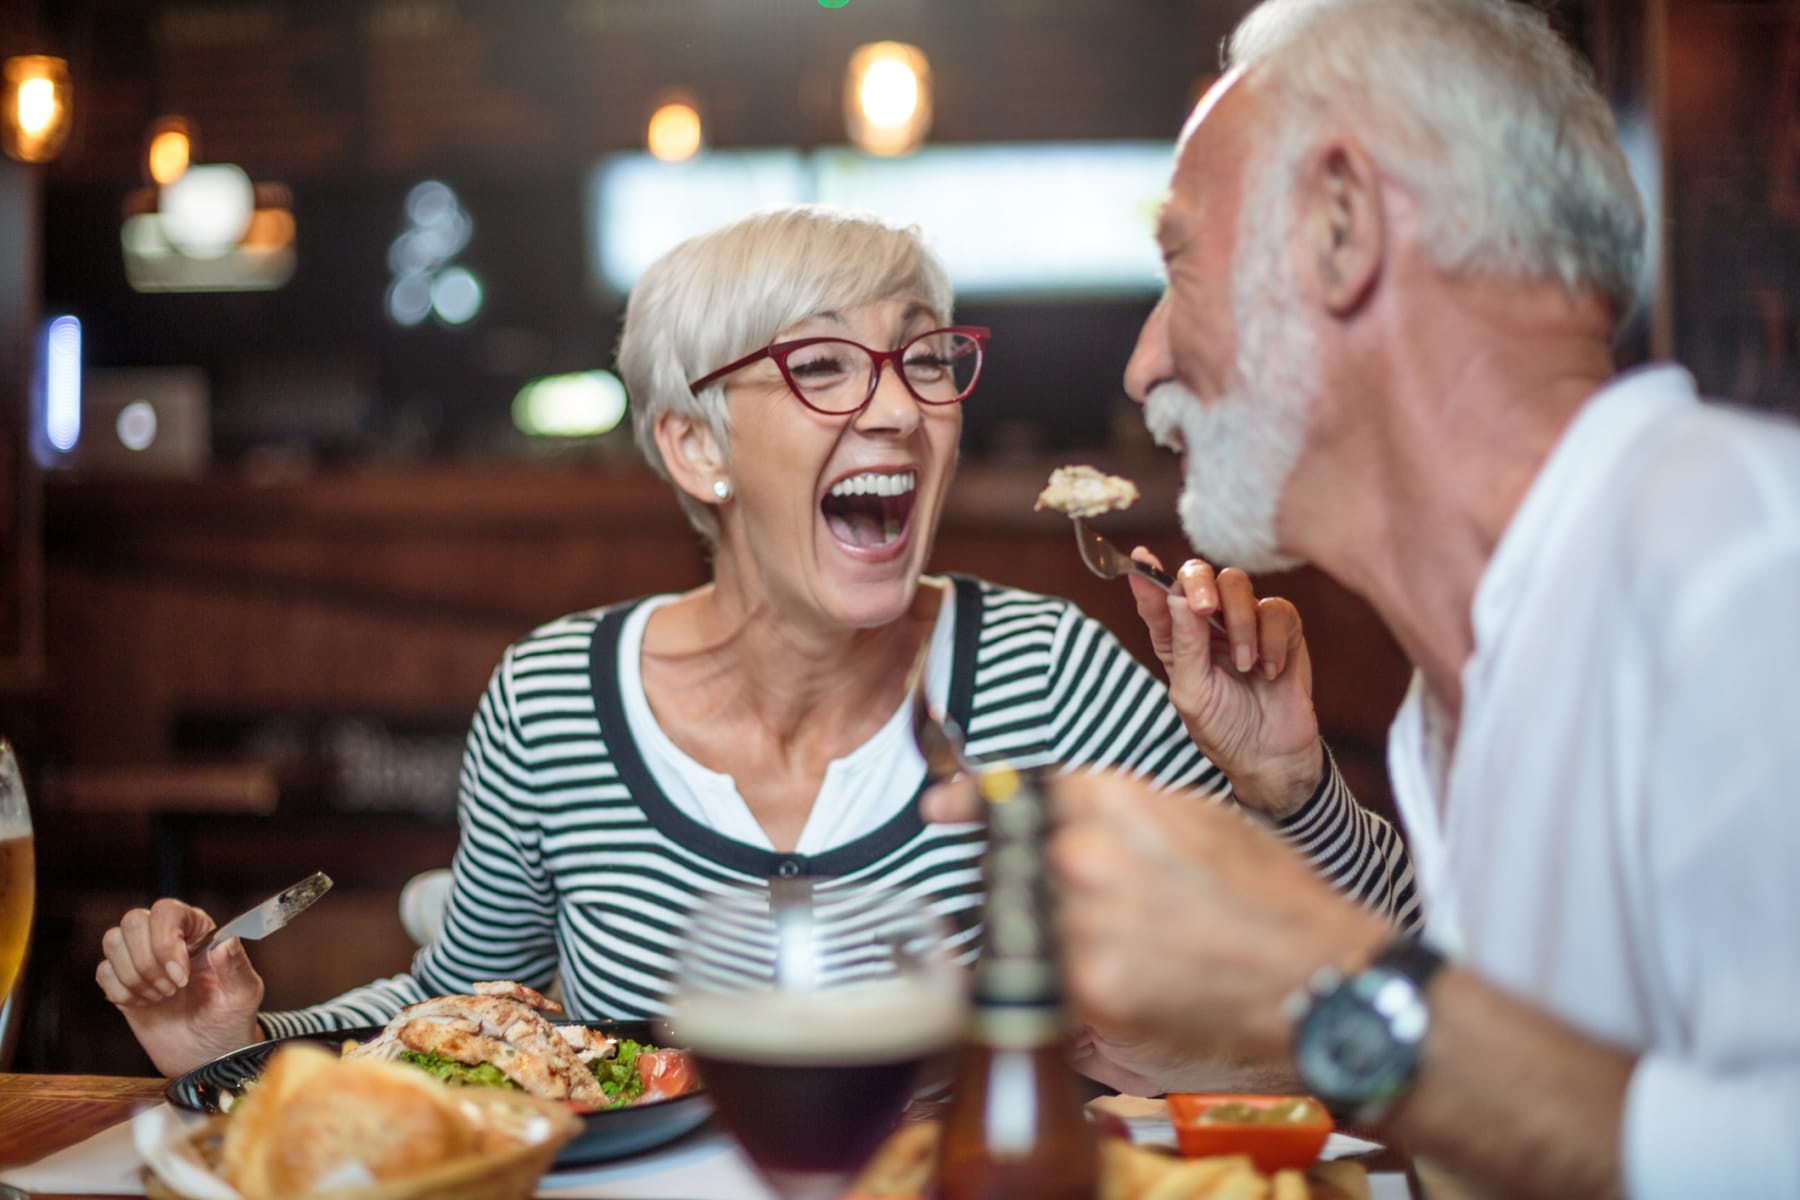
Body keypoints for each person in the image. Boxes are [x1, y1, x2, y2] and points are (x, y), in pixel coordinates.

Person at [94, 204, 1418, 1079]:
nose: (898, 412)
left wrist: (1289, 791)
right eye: (825, 368)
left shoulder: (1044, 678)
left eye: (923, 361)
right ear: (693, 445)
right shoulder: (554, 703)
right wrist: (238, 1041)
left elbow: (1384, 988)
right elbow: (455, 1022)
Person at [931, 0, 1800, 1196]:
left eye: (1180, 260)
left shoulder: (1748, 566)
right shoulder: (1462, 693)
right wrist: (1295, 807)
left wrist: (1308, 974)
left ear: (1343, 229)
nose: (1143, 366)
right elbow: (1527, 1089)